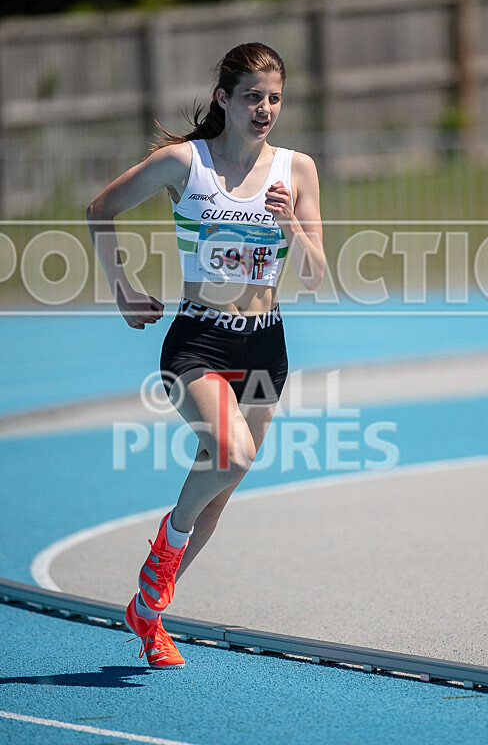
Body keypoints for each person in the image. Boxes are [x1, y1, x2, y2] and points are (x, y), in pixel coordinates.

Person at [86, 42, 325, 668]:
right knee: (232, 454)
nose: (265, 107)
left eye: (274, 97)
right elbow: (100, 210)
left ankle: (149, 612)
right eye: (252, 96)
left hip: (266, 344)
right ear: (223, 98)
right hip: (200, 339)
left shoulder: (296, 170)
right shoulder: (183, 164)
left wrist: (291, 228)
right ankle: (160, 562)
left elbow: (317, 274)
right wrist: (122, 289)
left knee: (221, 488)